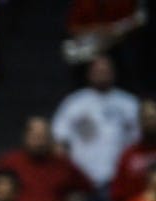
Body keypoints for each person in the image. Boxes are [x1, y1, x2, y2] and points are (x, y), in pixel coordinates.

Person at [52, 55, 139, 190]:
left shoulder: (129, 103)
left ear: (114, 73)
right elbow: (60, 141)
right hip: (82, 179)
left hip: (120, 179)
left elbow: (138, 141)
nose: (102, 74)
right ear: (89, 74)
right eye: (97, 71)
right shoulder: (74, 102)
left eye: (105, 71)